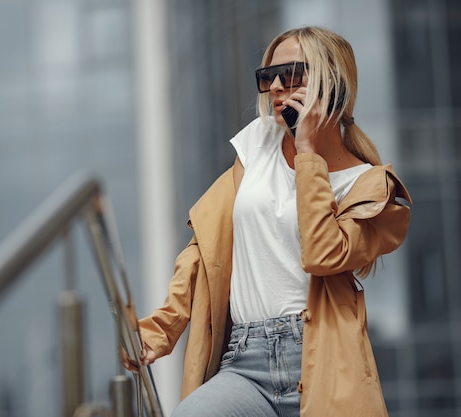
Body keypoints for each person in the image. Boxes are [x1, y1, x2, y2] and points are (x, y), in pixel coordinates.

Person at [124, 26, 412, 417]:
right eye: (267, 78)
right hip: (245, 362)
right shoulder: (258, 144)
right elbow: (206, 250)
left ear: (332, 83)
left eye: (291, 74)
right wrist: (162, 328)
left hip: (322, 364)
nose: (276, 87)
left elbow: (322, 254)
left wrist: (309, 151)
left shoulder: (372, 188)